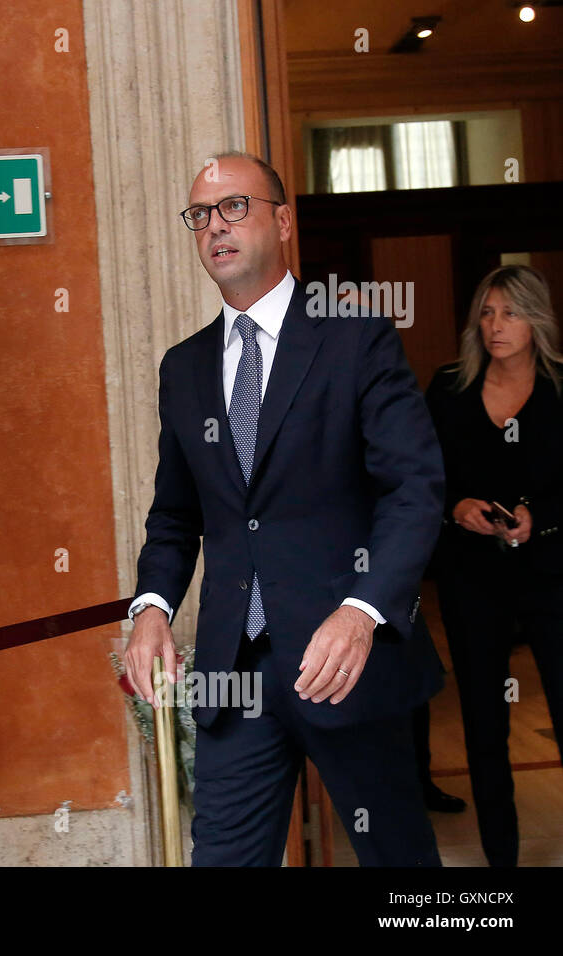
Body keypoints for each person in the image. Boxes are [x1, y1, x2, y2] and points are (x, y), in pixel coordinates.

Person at [122, 152, 446, 866]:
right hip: (235, 675)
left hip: (346, 662)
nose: (216, 227)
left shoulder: (354, 337)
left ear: (284, 221)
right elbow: (175, 516)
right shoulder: (184, 367)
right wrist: (151, 608)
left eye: (235, 206)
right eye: (201, 214)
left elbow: (414, 489)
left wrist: (364, 611)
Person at [424, 264, 563, 867]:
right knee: (484, 723)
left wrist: (538, 515)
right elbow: (420, 475)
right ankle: (502, 864)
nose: (495, 326)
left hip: (553, 574)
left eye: (509, 313)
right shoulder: (449, 388)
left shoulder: (560, 391)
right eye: (486, 312)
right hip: (472, 578)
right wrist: (456, 507)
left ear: (537, 320)